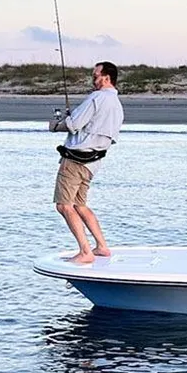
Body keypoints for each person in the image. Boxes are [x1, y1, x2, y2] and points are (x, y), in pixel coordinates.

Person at [48, 61, 125, 264]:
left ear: (106, 77)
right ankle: (101, 246)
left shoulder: (96, 98)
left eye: (95, 75)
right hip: (93, 164)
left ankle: (85, 251)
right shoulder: (117, 106)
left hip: (75, 161)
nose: (93, 79)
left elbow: (74, 124)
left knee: (64, 206)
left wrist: (56, 126)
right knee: (80, 205)